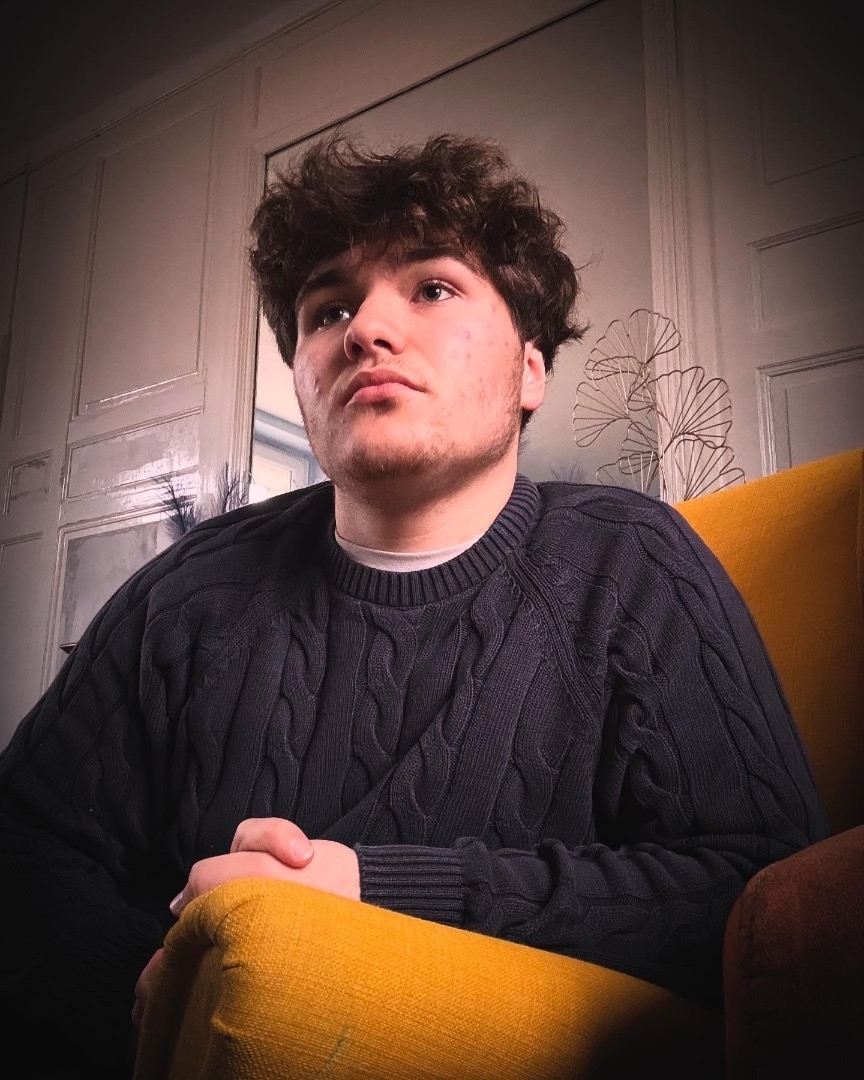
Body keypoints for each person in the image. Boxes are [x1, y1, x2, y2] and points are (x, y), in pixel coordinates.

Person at [0, 133, 826, 1078]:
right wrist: (162, 989)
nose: (365, 330)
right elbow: (23, 843)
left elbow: (770, 892)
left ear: (530, 369)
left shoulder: (633, 564)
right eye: (328, 309)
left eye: (432, 288)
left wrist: (369, 897)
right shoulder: (189, 590)